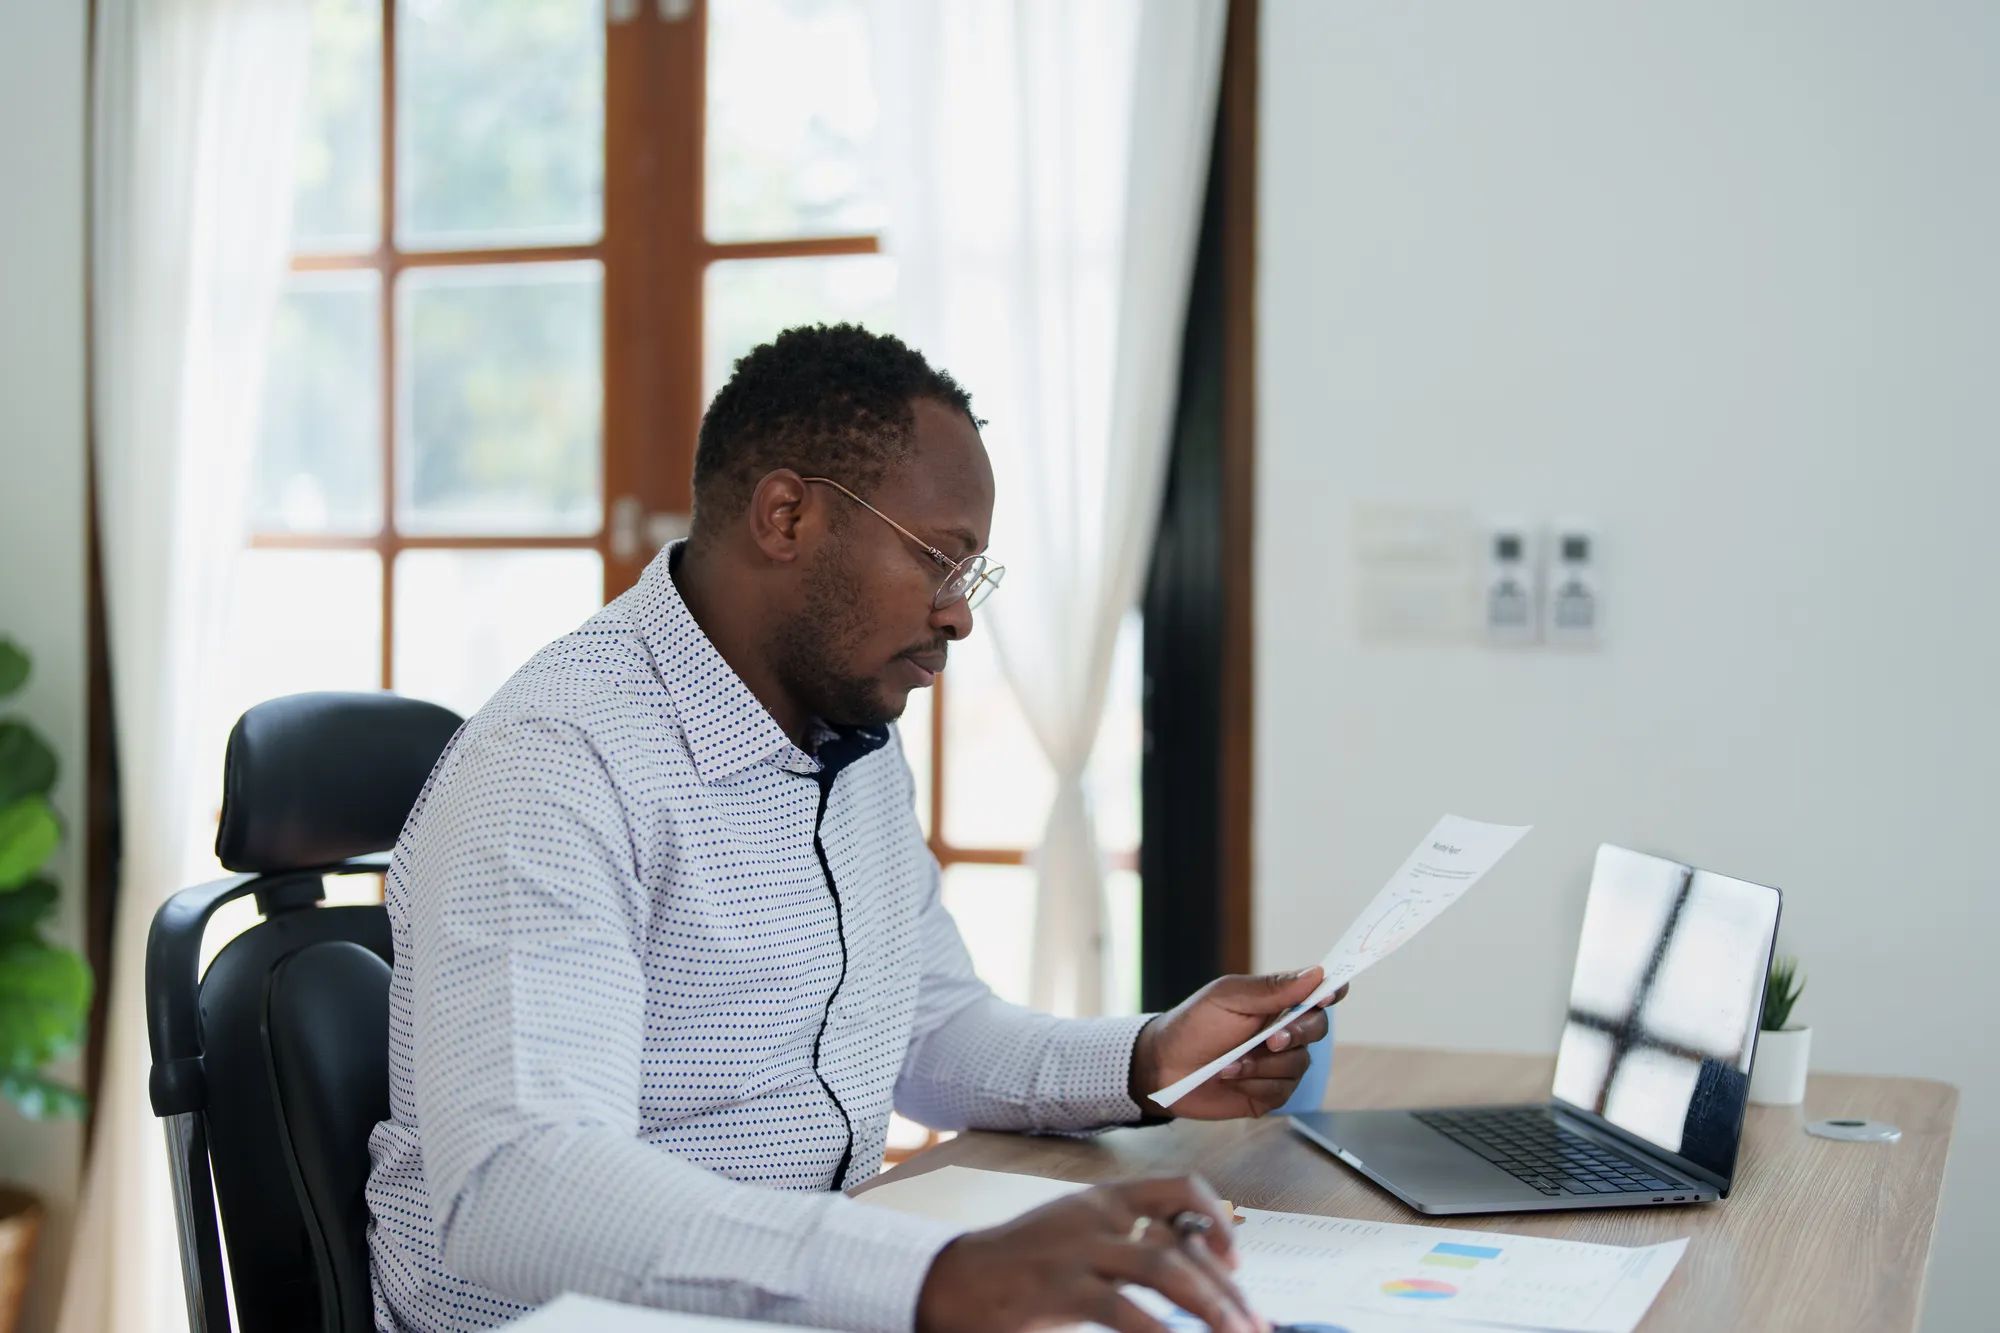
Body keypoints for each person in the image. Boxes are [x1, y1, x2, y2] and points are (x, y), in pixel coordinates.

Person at [365, 324, 1343, 1333]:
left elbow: (927, 1027)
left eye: (972, 575)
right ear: (786, 516)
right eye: (939, 559)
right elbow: (522, 1191)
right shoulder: (556, 764)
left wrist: (1151, 1058)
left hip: (779, 1298)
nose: (958, 615)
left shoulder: (844, 734)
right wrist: (935, 1276)